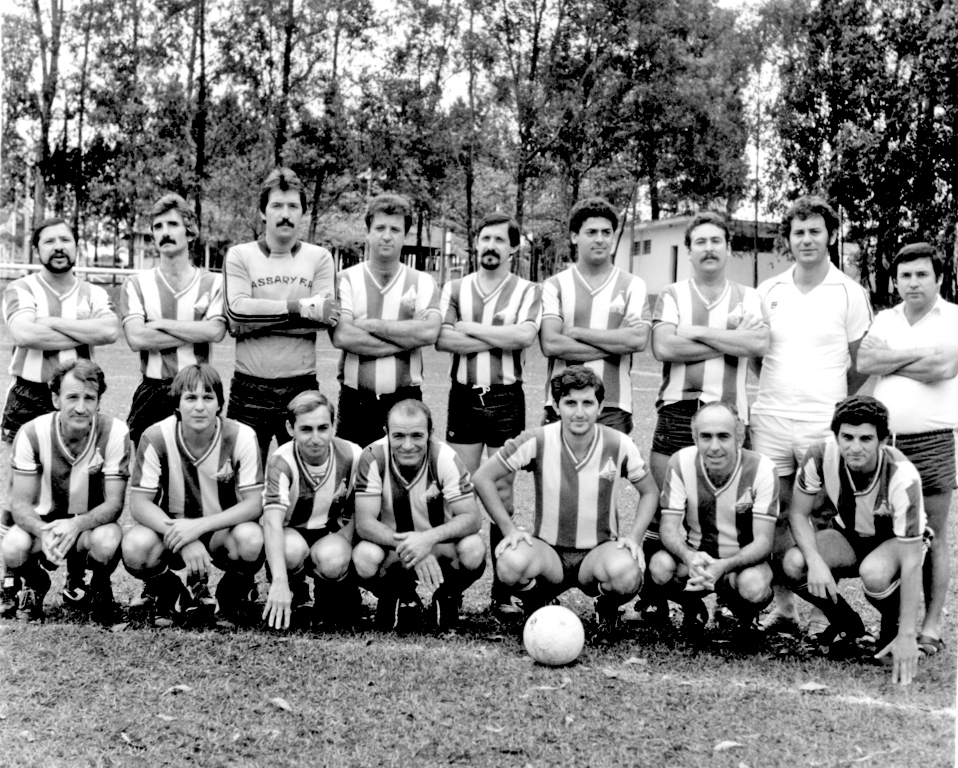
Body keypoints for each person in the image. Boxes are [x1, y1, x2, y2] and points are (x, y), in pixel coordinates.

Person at [750, 195, 873, 636]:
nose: (806, 239)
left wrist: (833, 405)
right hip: (771, 419)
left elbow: (861, 363)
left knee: (818, 514)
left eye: (815, 231)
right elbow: (755, 358)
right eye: (798, 232)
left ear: (831, 236)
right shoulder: (769, 291)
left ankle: (824, 609)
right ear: (789, 239)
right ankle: (785, 609)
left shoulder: (850, 292)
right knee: (776, 511)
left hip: (822, 421)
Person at [640, 212, 769, 624]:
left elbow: (758, 342)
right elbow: (664, 347)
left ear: (728, 249)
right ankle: (659, 598)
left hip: (729, 417)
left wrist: (693, 332)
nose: (709, 248)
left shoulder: (749, 297)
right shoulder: (673, 294)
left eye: (717, 241)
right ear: (689, 250)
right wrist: (728, 341)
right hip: (678, 412)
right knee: (665, 514)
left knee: (733, 512)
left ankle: (733, 602)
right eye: (701, 242)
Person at [473, 366, 659, 637]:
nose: (579, 412)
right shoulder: (538, 440)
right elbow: (482, 478)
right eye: (570, 402)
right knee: (510, 563)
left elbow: (650, 491)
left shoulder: (619, 444)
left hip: (597, 554)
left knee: (627, 575)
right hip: (549, 556)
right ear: (557, 406)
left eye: (588, 402)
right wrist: (509, 529)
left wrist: (634, 537)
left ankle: (606, 607)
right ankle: (537, 602)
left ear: (601, 406)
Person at [1, 218, 119, 615]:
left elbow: (108, 332)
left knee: (81, 487)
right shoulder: (21, 288)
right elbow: (25, 335)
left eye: (65, 239)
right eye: (48, 240)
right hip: (29, 394)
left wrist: (50, 323)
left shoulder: (93, 291)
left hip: (78, 395)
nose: (57, 246)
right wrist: (81, 332)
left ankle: (77, 576)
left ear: (76, 247)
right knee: (16, 494)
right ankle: (16, 580)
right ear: (37, 249)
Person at [436, 212, 542, 618]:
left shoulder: (527, 290)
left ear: (513, 248)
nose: (490, 246)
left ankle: (503, 589)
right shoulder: (456, 286)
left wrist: (469, 328)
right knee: (456, 492)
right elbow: (443, 338)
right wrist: (492, 335)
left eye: (499, 240)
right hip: (464, 397)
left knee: (501, 495)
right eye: (485, 239)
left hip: (505, 399)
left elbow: (524, 336)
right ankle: (453, 588)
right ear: (475, 244)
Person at [781, 396, 929, 686]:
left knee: (873, 573)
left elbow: (912, 562)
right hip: (848, 536)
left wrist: (909, 635)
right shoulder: (820, 455)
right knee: (794, 562)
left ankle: (895, 625)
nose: (855, 447)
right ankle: (846, 622)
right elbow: (798, 514)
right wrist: (816, 562)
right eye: (847, 437)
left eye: (866, 438)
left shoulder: (902, 476)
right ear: (836, 436)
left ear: (883, 440)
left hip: (896, 543)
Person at [857, 242, 958, 659]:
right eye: (905, 275)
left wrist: (890, 359)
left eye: (921, 274)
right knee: (892, 534)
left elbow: (945, 368)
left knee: (933, 535)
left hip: (932, 441)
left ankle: (931, 625)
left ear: (938, 278)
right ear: (896, 280)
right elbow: (865, 362)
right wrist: (917, 354)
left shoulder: (953, 317)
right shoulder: (886, 317)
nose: (913, 282)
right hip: (887, 446)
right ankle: (895, 626)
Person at [121, 364, 265, 628]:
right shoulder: (155, 436)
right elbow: (139, 505)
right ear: (177, 404)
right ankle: (171, 591)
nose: (200, 406)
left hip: (222, 532)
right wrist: (183, 537)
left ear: (220, 403)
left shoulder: (241, 436)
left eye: (208, 398)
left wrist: (198, 528)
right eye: (191, 398)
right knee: (135, 545)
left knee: (252, 539)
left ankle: (230, 594)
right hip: (172, 532)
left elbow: (254, 504)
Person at [223, 167, 339, 465]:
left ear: (303, 213)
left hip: (300, 385)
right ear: (263, 212)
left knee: (303, 475)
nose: (284, 214)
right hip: (249, 386)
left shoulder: (320, 258)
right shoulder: (240, 255)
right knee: (242, 478)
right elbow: (236, 312)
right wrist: (301, 307)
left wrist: (255, 320)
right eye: (276, 206)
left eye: (292, 206)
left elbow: (324, 318)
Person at [1, 360, 129, 623]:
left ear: (98, 401)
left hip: (86, 530)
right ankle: (36, 582)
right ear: (56, 398)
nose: (81, 407)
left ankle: (98, 587)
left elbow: (115, 504)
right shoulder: (32, 432)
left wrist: (75, 525)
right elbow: (20, 503)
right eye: (72, 397)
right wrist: (42, 531)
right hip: (44, 529)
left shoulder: (115, 432)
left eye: (89, 398)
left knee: (108, 539)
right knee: (13, 545)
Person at [351, 400, 486, 632]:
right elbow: (364, 524)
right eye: (399, 436)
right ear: (386, 433)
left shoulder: (444, 457)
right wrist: (414, 546)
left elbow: (472, 518)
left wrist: (427, 540)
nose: (407, 445)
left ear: (430, 434)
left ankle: (447, 596)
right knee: (364, 557)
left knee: (474, 549)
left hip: (438, 548)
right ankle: (399, 595)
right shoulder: (373, 456)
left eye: (416, 435)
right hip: (393, 550)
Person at [649, 402, 779, 636]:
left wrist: (725, 565)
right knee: (660, 568)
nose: (714, 446)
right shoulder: (680, 462)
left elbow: (763, 542)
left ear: (738, 437)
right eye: (706, 437)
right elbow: (668, 529)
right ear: (695, 437)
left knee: (754, 587)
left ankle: (743, 614)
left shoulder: (762, 469)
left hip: (741, 565)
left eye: (723, 436)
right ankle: (692, 606)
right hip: (697, 559)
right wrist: (689, 557)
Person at [332, 194, 442, 448]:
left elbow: (429, 333)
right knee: (354, 478)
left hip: (405, 398)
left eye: (395, 229)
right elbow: (342, 336)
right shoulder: (345, 279)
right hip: (355, 400)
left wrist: (367, 324)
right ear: (368, 232)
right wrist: (407, 340)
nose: (387, 235)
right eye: (380, 228)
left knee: (403, 478)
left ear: (405, 235)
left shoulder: (422, 281)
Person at [539, 197, 651, 435]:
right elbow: (551, 343)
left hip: (613, 407)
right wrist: (617, 341)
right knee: (556, 473)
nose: (600, 239)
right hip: (562, 404)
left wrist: (577, 333)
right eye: (591, 232)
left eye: (606, 232)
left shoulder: (633, 285)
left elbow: (638, 341)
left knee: (606, 474)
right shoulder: (554, 285)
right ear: (574, 237)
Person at [121, 193, 226, 446]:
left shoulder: (214, 283)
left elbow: (215, 332)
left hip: (196, 390)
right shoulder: (136, 284)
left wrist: (160, 324)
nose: (164, 232)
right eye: (158, 227)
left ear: (190, 233)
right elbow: (136, 338)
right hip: (152, 390)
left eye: (173, 224)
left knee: (194, 474)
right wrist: (195, 330)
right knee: (147, 474)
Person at [261, 391, 363, 630]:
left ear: (333, 426)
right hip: (292, 533)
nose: (316, 438)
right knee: (290, 550)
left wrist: (343, 541)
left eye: (323, 428)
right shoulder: (281, 461)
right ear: (290, 428)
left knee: (334, 560)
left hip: (330, 532)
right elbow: (272, 522)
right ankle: (295, 591)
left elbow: (362, 506)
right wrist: (278, 581)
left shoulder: (352, 454)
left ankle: (331, 591)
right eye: (306, 429)